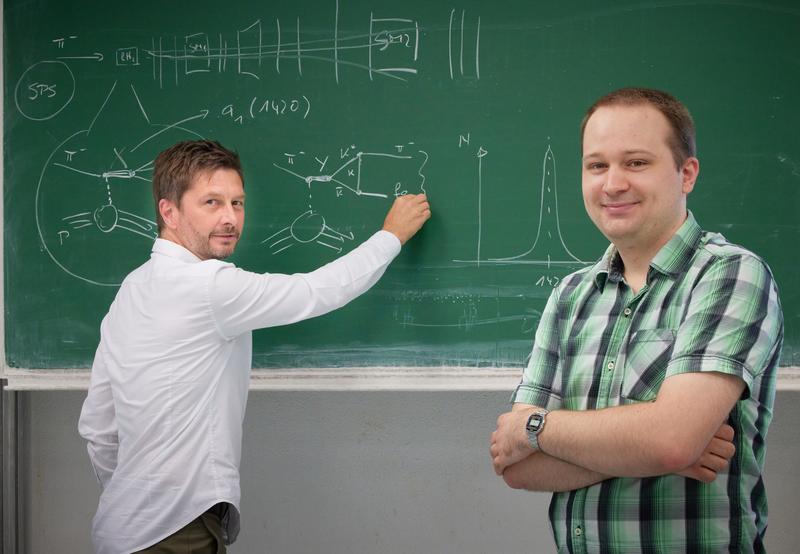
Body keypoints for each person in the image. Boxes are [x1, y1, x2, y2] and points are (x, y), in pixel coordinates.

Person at [78, 139, 431, 554]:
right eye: (211, 202)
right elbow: (318, 291)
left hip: (119, 531)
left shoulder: (131, 290)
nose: (230, 218)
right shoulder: (209, 286)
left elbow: (98, 428)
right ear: (168, 211)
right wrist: (391, 236)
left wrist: (133, 499)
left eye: (237, 203)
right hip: (176, 533)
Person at [490, 88, 783, 553]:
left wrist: (537, 427)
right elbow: (516, 467)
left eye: (636, 163)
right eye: (596, 165)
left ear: (686, 174)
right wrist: (644, 448)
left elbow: (670, 441)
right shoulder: (570, 296)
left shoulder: (730, 275)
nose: (612, 184)